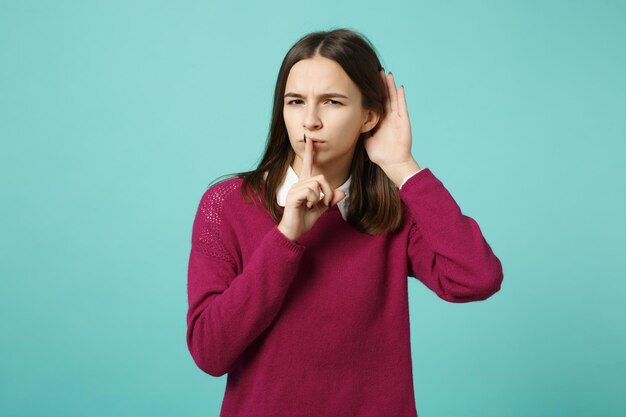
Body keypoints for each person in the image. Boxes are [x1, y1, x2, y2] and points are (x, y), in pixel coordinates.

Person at [186, 28, 503, 417]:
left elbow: (477, 277)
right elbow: (209, 352)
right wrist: (287, 236)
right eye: (296, 101)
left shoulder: (395, 211)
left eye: (332, 102)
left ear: (369, 116)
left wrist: (403, 167)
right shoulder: (228, 204)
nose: (310, 121)